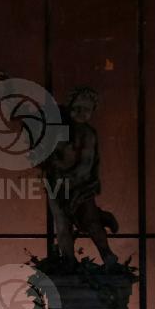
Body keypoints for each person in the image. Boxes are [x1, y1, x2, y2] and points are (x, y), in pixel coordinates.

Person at [44, 86, 120, 266]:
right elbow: (52, 156)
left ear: (93, 111)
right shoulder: (61, 130)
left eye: (86, 109)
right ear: (69, 107)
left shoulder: (89, 134)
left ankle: (108, 256)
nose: (81, 113)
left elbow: (90, 163)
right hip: (58, 185)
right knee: (62, 224)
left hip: (82, 186)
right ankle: (68, 261)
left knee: (92, 222)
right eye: (77, 108)